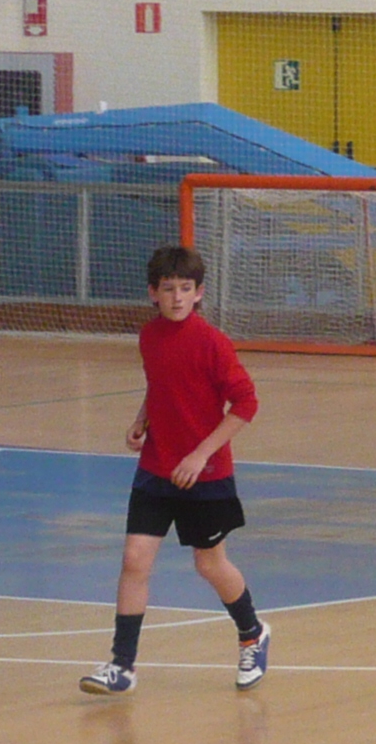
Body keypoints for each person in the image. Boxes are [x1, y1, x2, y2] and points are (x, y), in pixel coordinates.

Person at [80, 244, 271, 696]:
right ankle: (122, 666)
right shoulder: (149, 337)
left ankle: (252, 633)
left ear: (199, 293)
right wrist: (142, 419)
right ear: (153, 293)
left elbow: (246, 404)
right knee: (134, 560)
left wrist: (200, 454)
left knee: (209, 563)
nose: (177, 297)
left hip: (206, 475)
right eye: (168, 289)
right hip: (156, 469)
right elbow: (160, 385)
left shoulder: (213, 343)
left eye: (186, 289)